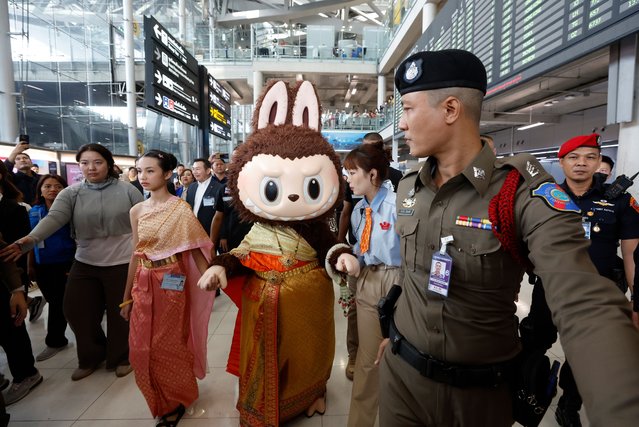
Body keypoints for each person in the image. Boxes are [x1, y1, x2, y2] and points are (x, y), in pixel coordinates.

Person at [375, 49, 639, 426]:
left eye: (409, 108)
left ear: (451, 110)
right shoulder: (408, 189)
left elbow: (584, 301)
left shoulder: (518, 194)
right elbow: (414, 275)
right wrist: (397, 338)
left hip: (478, 398)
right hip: (400, 381)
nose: (401, 123)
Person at [0, 143, 144, 381]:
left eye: (97, 162)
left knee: (122, 312)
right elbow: (54, 219)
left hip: (122, 262)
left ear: (108, 164)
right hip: (85, 261)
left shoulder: (127, 190)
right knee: (76, 310)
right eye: (85, 163)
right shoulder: (71, 193)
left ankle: (121, 356)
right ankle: (91, 355)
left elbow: (144, 221)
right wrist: (27, 241)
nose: (91, 168)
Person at [121, 150, 214, 427]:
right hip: (143, 281)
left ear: (167, 174)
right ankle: (158, 397)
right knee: (139, 348)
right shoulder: (137, 211)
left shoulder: (180, 208)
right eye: (140, 171)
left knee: (168, 345)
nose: (144, 177)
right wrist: (126, 297)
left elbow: (196, 249)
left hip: (173, 280)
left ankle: (174, 401)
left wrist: (211, 275)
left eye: (150, 170)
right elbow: (136, 254)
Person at [551, 134, 639, 426]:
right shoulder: (545, 197)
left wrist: (636, 302)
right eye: (574, 157)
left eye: (590, 157)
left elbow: (632, 254)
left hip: (596, 293)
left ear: (600, 162)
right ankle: (527, 393)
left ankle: (569, 405)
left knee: (587, 353)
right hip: (548, 290)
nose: (581, 164)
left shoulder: (620, 200)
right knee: (532, 341)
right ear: (561, 162)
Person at [337, 132, 403, 381]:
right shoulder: (359, 210)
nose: (348, 180)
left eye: (352, 173)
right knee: (368, 353)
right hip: (366, 276)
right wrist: (351, 257)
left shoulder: (398, 205)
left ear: (373, 173)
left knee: (395, 348)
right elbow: (361, 246)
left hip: (396, 279)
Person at [0, 165, 41, 406]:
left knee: (11, 328)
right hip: (11, 275)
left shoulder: (14, 208)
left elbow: (15, 248)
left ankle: (26, 373)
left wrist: (19, 286)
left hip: (10, 276)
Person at [28, 174, 76, 361]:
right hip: (42, 265)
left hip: (64, 262)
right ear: (40, 190)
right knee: (54, 300)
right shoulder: (33, 211)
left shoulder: (70, 211)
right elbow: (31, 240)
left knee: (58, 303)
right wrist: (30, 265)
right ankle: (57, 339)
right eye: (47, 186)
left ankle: (56, 341)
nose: (52, 189)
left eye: (57, 186)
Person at [186, 158, 224, 244]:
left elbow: (223, 215)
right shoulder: (191, 187)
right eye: (193, 169)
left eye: (198, 169)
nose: (195, 172)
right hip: (193, 232)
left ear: (207, 171)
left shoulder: (218, 187)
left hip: (211, 233)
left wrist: (223, 235)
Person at [2, 138, 41, 205]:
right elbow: (4, 170)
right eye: (18, 159)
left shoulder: (41, 179)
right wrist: (15, 152)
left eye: (25, 158)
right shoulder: (12, 179)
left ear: (31, 163)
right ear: (14, 165)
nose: (22, 160)